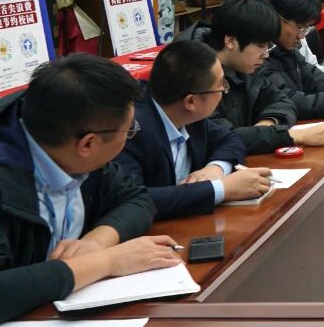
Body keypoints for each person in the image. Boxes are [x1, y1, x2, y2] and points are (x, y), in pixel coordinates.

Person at [0, 54, 178, 327]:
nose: (130, 136)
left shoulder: (65, 140)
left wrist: (96, 243)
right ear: (88, 144)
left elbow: (135, 197)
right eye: (128, 130)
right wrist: (105, 262)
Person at [115, 40, 269, 220]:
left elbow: (229, 139)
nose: (223, 90)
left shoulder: (186, 114)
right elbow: (134, 200)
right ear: (190, 102)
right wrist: (221, 189)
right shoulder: (129, 129)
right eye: (220, 85)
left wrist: (216, 168)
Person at [184, 0, 324, 154]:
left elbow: (284, 102)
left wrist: (267, 125)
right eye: (261, 46)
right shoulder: (196, 77)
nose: (266, 55)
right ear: (230, 41)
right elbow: (220, 137)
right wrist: (289, 136)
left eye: (268, 46)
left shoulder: (248, 66)